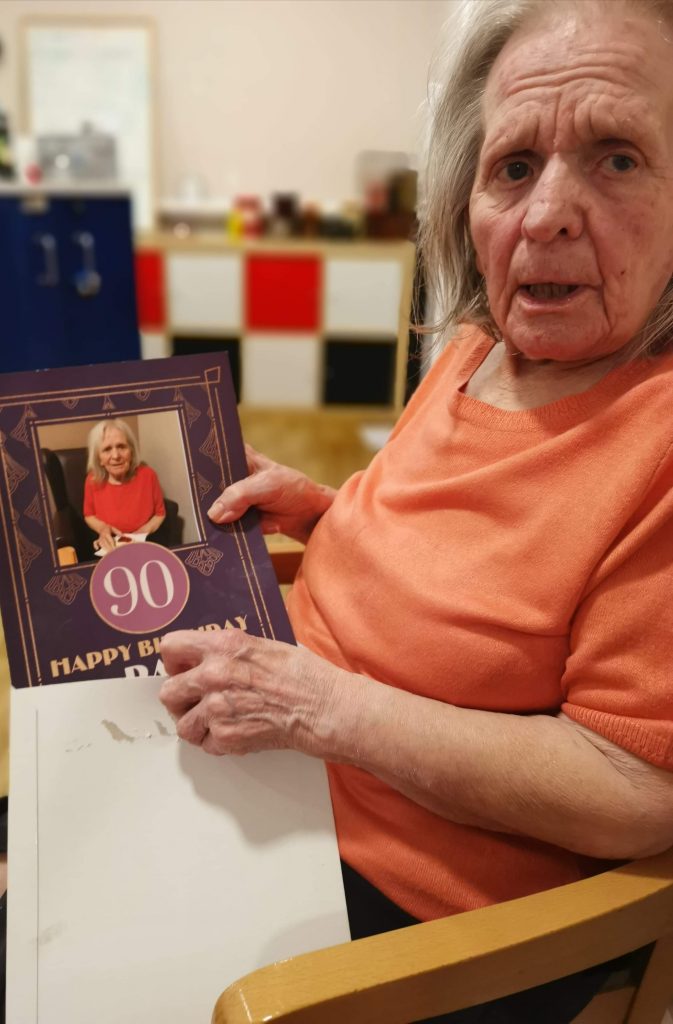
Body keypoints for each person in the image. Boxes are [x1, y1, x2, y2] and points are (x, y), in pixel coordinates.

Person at [159, 1, 673, 1020]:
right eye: (512, 166)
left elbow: (634, 791)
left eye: (616, 158)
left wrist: (319, 707)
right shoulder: (479, 349)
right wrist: (322, 512)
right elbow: (452, 550)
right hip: (274, 778)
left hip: (418, 917)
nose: (544, 215)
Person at [83, 419, 166, 553]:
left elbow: (160, 514)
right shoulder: (92, 480)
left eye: (121, 447)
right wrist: (103, 529)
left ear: (131, 451)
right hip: (110, 544)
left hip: (145, 541)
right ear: (99, 458)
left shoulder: (148, 475)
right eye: (107, 449)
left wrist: (141, 533)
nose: (116, 456)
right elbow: (89, 515)